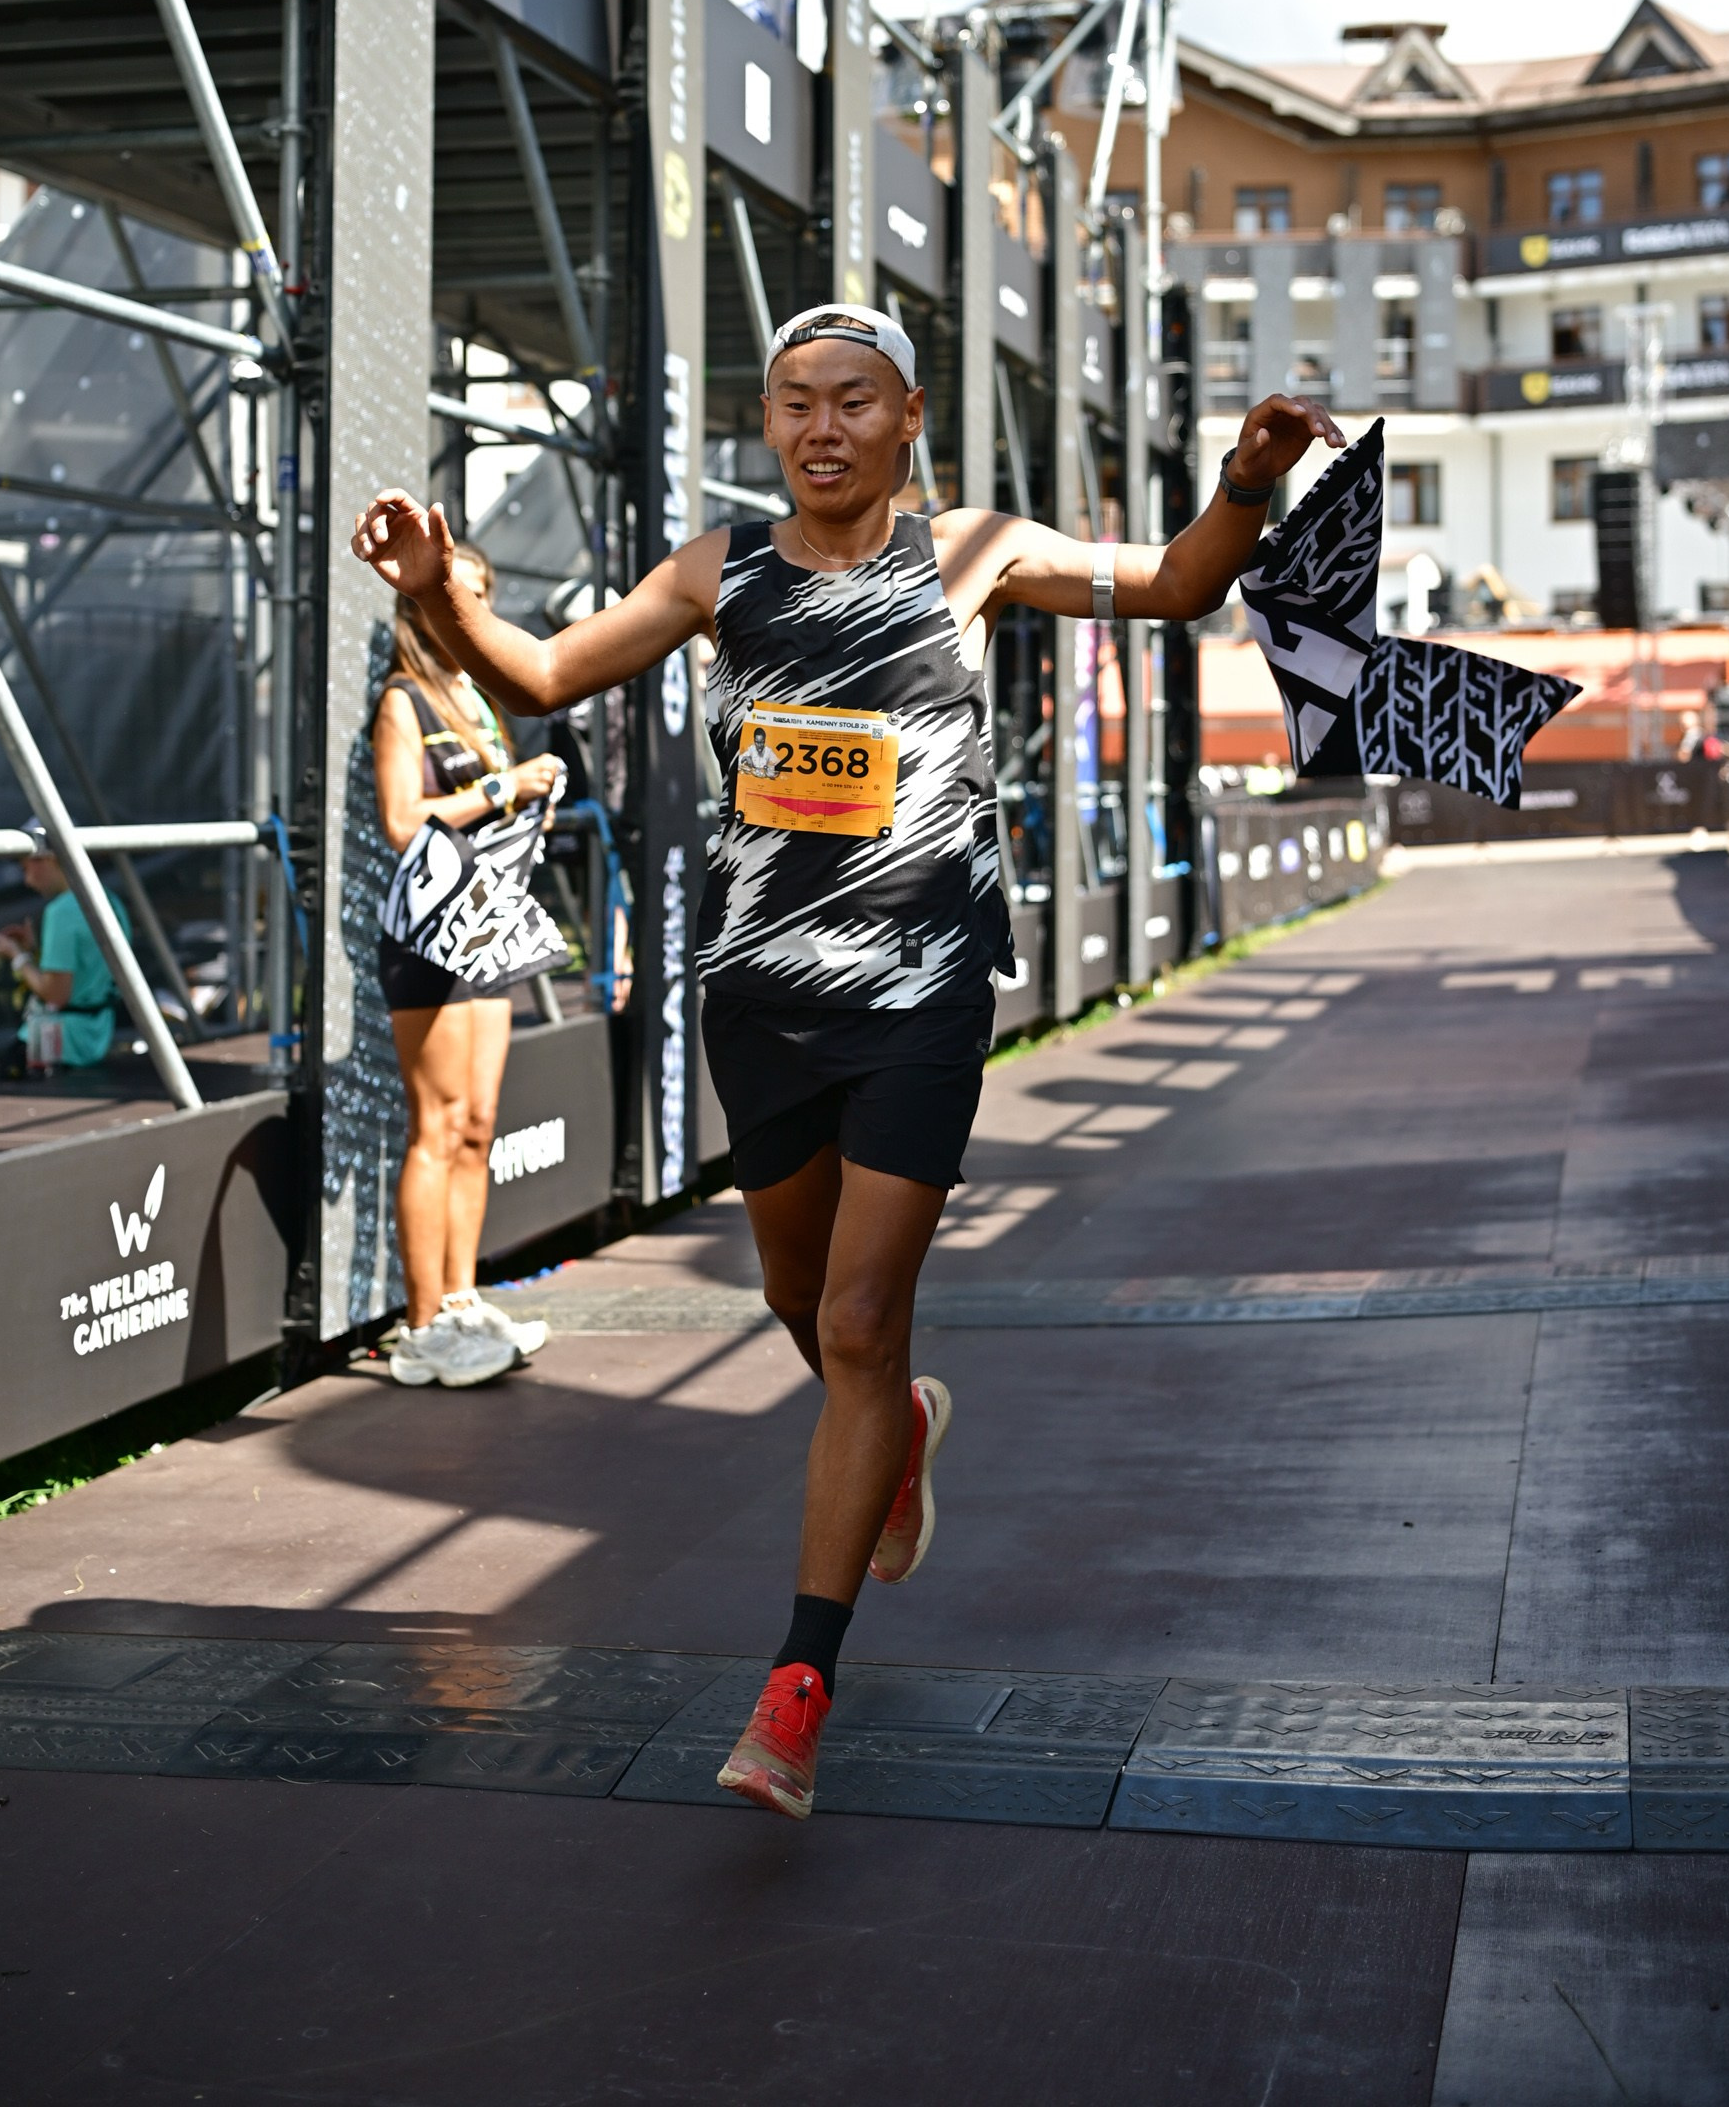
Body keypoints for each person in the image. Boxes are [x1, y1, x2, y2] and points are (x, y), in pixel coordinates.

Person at [353, 304, 1341, 1811]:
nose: (823, 427)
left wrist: (1248, 482)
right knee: (802, 1305)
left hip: (922, 994)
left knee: (867, 1323)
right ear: (771, 427)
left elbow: (1179, 582)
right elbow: (543, 674)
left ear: (909, 419)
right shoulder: (714, 572)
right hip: (761, 999)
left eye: (855, 402)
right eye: (798, 404)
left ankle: (797, 1688)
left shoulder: (977, 553)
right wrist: (437, 599)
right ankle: (902, 1435)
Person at [372, 543, 567, 1391]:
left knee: (479, 1124)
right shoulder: (402, 701)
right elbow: (401, 822)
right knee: (438, 1126)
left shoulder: (481, 698)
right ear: (420, 606)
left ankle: (461, 1302)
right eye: (458, 595)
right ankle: (421, 1328)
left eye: (483, 595)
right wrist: (503, 790)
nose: (471, 610)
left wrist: (531, 798)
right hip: (427, 938)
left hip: (488, 933)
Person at [0, 831, 131, 1069]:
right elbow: (88, 969)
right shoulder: (110, 899)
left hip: (64, 1044)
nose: (28, 881)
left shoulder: (62, 911)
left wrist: (18, 956)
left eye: (26, 868)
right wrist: (34, 950)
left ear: (48, 858)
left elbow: (56, 994)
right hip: (98, 1033)